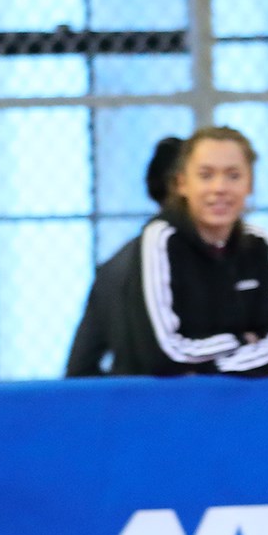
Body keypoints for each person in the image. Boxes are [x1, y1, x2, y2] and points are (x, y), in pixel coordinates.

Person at [70, 126, 268, 377]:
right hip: (159, 406)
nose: (219, 188)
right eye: (205, 175)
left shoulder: (257, 243)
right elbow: (161, 356)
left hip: (235, 407)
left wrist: (207, 366)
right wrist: (241, 341)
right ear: (181, 183)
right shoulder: (156, 243)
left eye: (233, 175)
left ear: (250, 184)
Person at [66, 136, 185, 377]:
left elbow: (79, 368)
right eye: (206, 175)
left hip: (130, 404)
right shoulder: (211, 260)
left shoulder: (113, 267)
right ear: (181, 184)